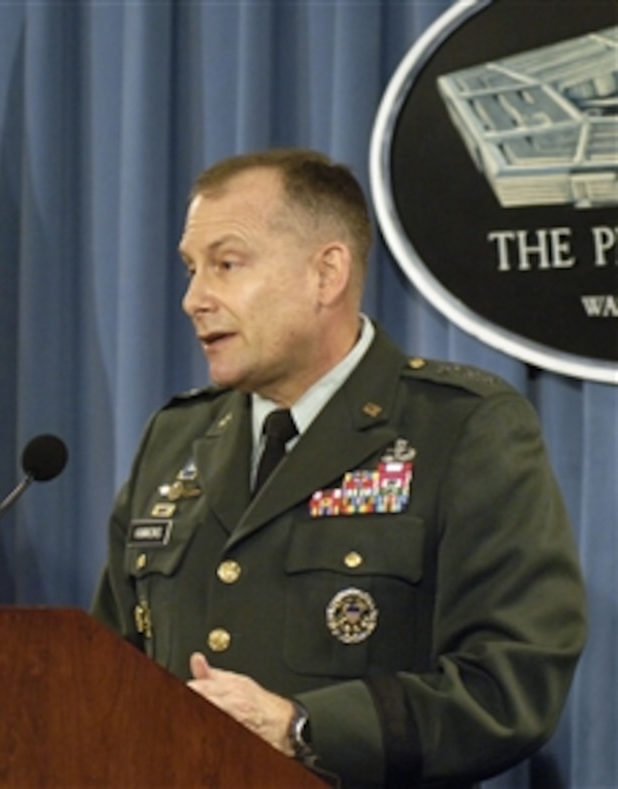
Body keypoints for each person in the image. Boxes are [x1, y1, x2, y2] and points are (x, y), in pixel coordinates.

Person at [90, 149, 586, 787]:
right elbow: (108, 672)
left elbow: (511, 682)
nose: (193, 298)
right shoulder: (176, 437)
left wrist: (302, 726)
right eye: (191, 269)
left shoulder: (460, 428)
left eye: (227, 265)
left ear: (326, 275)